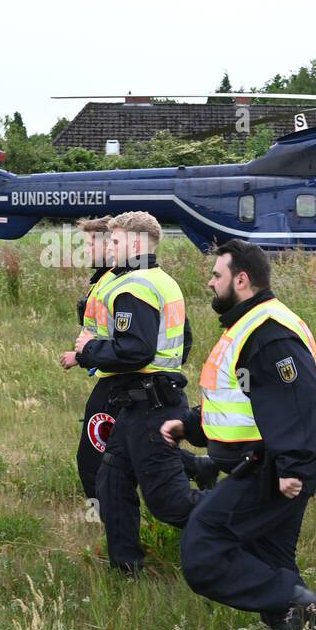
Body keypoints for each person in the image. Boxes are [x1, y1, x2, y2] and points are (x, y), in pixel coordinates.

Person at [161, 239, 316, 630]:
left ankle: (297, 607)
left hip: (269, 468)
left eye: (216, 275)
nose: (209, 282)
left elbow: (296, 402)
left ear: (241, 279)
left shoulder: (268, 332)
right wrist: (190, 425)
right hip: (269, 462)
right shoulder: (250, 325)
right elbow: (241, 399)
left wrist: (295, 468)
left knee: (203, 546)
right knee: (271, 559)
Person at [73, 211, 200, 574]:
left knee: (169, 503)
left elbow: (135, 350)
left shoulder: (136, 287)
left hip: (151, 406)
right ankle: (127, 568)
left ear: (136, 242)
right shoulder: (161, 279)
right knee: (111, 483)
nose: (109, 249)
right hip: (137, 403)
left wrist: (88, 351)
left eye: (114, 242)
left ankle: (239, 522)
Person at [59, 217, 118, 500]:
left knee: (92, 458)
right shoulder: (111, 278)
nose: (87, 249)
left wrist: (83, 355)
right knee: (142, 451)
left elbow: (123, 340)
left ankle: (102, 517)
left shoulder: (117, 281)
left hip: (119, 382)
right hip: (120, 376)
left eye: (91, 242)